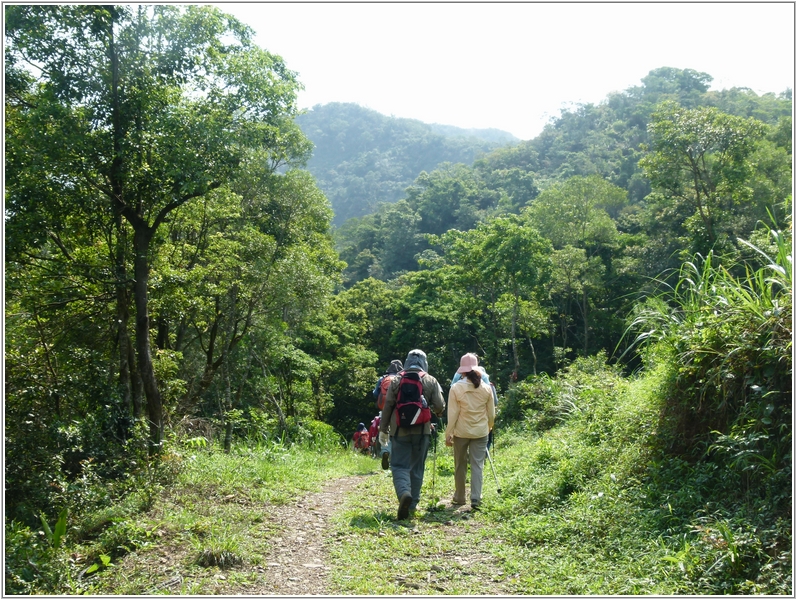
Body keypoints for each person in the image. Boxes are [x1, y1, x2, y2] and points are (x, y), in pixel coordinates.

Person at [379, 349, 445, 520]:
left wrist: (383, 429)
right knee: (417, 467)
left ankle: (403, 494)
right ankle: (412, 504)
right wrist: (436, 411)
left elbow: (387, 407)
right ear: (425, 362)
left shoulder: (397, 380)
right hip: (422, 431)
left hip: (399, 430)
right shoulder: (430, 380)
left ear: (407, 361)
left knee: (399, 465)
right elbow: (439, 406)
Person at [446, 352, 495, 511]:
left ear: (463, 370)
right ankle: (476, 497)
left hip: (461, 432)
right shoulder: (487, 388)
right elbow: (491, 414)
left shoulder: (455, 388)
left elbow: (453, 414)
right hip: (480, 432)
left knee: (460, 465)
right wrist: (489, 427)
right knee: (477, 465)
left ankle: (460, 497)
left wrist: (449, 433)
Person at [372, 359, 403, 469]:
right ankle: (395, 457)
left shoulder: (382, 379)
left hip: (384, 409)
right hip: (398, 410)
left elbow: (375, 394)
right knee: (397, 432)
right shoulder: (401, 378)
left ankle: (385, 450)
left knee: (384, 429)